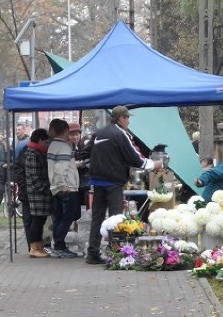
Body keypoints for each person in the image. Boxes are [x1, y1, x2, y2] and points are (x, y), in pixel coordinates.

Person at [83, 106, 163, 264]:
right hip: (113, 182)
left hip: (97, 181)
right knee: (116, 218)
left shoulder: (99, 132)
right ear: (121, 119)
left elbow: (85, 152)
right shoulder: (121, 134)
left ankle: (92, 253)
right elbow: (136, 158)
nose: (129, 120)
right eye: (127, 117)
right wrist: (154, 164)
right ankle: (117, 254)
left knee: (97, 217)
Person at [47, 120, 80, 258]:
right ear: (65, 131)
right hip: (66, 188)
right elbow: (61, 168)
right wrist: (63, 185)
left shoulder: (52, 145)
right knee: (67, 217)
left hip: (55, 187)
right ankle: (60, 245)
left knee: (59, 217)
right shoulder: (64, 147)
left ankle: (58, 244)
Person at [19, 128, 52, 258]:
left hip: (39, 192)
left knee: (40, 220)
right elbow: (34, 176)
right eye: (46, 141)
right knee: (36, 221)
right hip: (37, 193)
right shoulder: (32, 153)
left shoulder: (36, 152)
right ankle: (34, 247)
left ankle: (39, 246)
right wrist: (45, 188)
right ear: (40, 140)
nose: (47, 144)